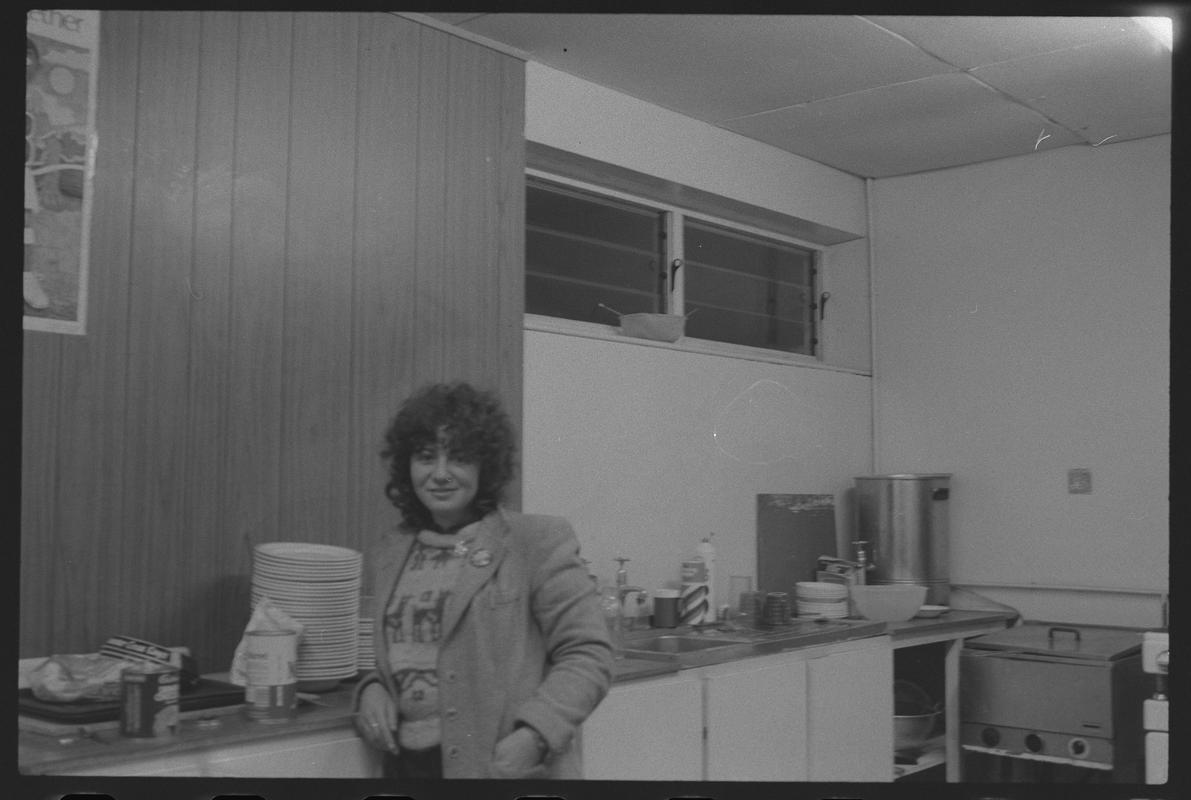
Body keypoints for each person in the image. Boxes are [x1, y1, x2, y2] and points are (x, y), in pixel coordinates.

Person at [353, 381, 613, 779]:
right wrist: (372, 686)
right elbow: (409, 654)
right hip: (409, 767)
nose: (440, 474)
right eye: (426, 457)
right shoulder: (392, 551)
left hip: (501, 768)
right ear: (407, 466)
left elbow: (589, 654)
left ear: (484, 465)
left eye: (458, 457)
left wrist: (535, 736)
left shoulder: (535, 542)